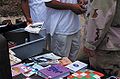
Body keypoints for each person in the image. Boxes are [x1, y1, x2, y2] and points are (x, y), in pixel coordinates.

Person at [83, 0, 120, 77]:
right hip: (114, 42)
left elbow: (99, 17)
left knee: (102, 74)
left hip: (107, 46)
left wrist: (90, 44)